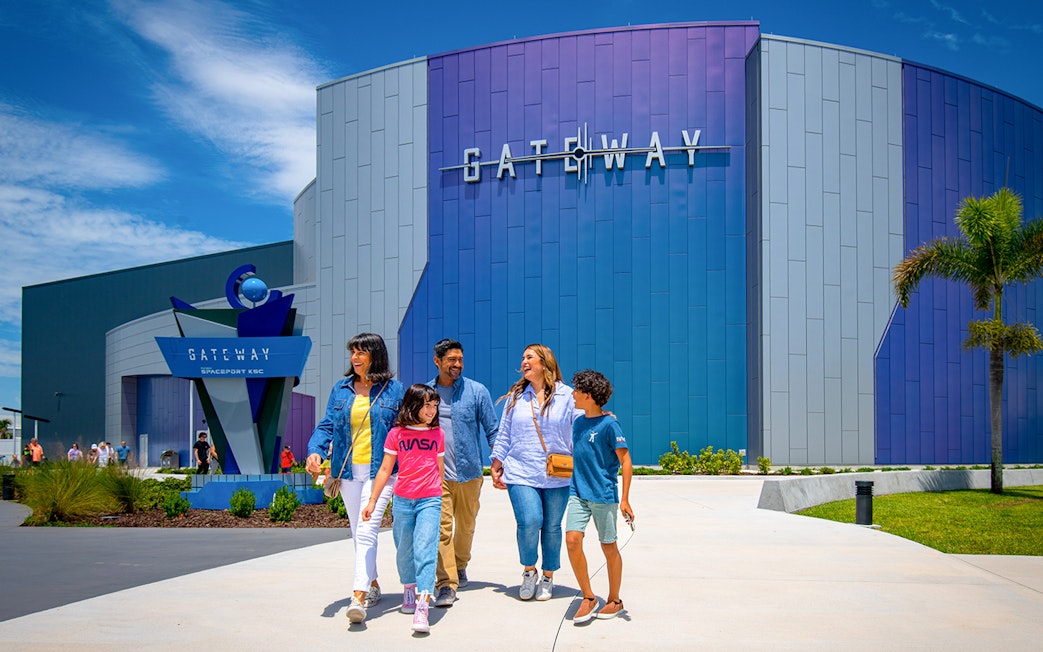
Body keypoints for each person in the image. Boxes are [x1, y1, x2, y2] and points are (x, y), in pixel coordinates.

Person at [306, 332, 404, 624]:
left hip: (381, 472)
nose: (355, 358)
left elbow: (404, 430)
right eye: (353, 353)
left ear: (375, 354)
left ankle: (358, 596)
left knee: (366, 529)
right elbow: (326, 425)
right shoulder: (342, 389)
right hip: (346, 472)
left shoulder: (394, 390)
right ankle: (372, 582)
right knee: (357, 530)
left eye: (361, 352)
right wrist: (315, 451)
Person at [490, 343, 577, 602]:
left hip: (558, 472)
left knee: (551, 526)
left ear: (545, 362)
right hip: (521, 469)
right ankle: (529, 571)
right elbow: (504, 433)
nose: (524, 362)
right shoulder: (517, 396)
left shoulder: (567, 396)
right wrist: (496, 463)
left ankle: (548, 576)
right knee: (529, 521)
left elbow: (581, 426)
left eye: (530, 357)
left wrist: (601, 416)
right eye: (523, 358)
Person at [362, 384, 445, 634]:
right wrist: (373, 501)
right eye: (426, 405)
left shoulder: (437, 433)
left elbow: (439, 468)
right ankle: (409, 588)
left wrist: (439, 493)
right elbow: (386, 470)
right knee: (404, 549)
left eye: (435, 406)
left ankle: (423, 602)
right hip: (402, 500)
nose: (431, 410)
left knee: (426, 548)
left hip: (430, 499)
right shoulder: (397, 433)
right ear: (413, 404)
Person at [425, 339, 499, 608]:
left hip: (469, 473)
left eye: (460, 360)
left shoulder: (476, 391)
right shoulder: (426, 393)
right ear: (438, 361)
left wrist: (499, 461)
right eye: (451, 360)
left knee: (465, 527)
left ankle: (459, 564)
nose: (457, 364)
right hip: (436, 475)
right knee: (441, 529)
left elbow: (492, 429)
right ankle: (446, 583)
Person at [565, 370, 634, 623]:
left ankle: (615, 599)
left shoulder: (610, 424)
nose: (572, 394)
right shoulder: (578, 422)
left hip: (604, 495)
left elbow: (626, 461)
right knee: (572, 540)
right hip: (578, 493)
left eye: (576, 391)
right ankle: (589, 596)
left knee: (609, 547)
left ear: (589, 396)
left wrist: (624, 499)